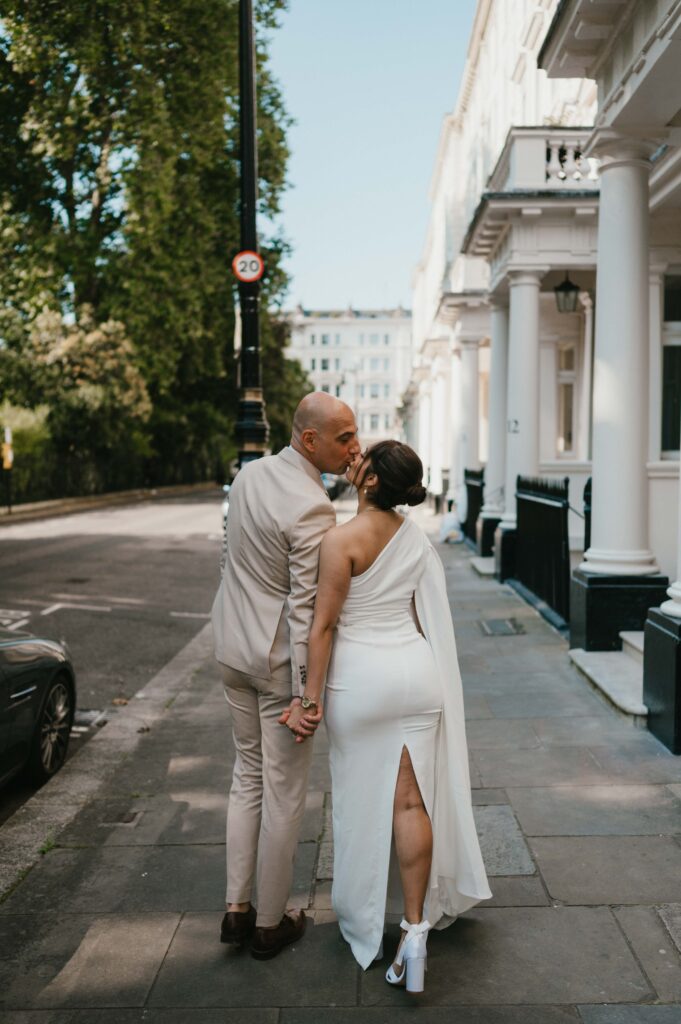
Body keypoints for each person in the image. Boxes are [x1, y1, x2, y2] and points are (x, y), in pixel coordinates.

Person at [284, 440, 491, 992]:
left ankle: (361, 920)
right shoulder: (417, 541)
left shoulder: (340, 541)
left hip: (363, 681)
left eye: (364, 458)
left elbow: (322, 628)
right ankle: (415, 929)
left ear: (373, 481)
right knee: (411, 800)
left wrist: (309, 699)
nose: (355, 458)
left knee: (358, 801)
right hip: (418, 675)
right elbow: (427, 619)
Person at [211, 392, 360, 960]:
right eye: (344, 437)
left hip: (232, 647)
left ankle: (236, 909)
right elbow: (307, 611)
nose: (355, 447)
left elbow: (230, 559)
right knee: (283, 793)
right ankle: (272, 923)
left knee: (246, 776)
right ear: (309, 439)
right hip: (276, 666)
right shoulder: (312, 506)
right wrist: (307, 696)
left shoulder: (248, 476)